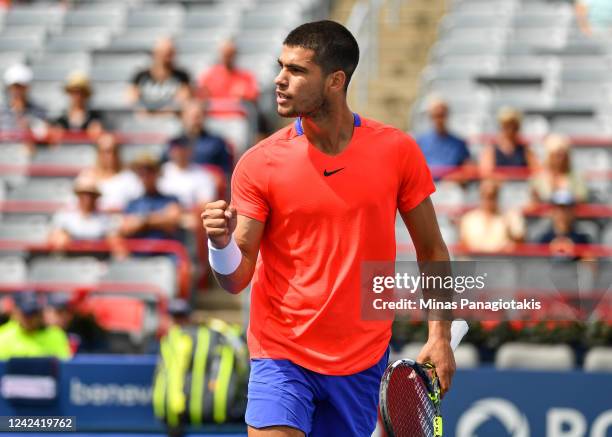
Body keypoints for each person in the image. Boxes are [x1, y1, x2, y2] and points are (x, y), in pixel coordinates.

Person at [201, 21, 456, 437]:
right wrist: (220, 243)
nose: (279, 81)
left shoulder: (397, 151)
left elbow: (432, 251)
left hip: (361, 362)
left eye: (297, 71)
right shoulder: (258, 163)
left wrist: (439, 335)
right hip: (280, 354)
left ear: (336, 81)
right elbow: (235, 279)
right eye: (280, 67)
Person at [118, 154, 182, 242]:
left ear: (157, 173)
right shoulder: (132, 203)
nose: (145, 175)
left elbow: (172, 222)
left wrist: (142, 221)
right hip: (138, 254)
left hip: (164, 253)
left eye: (149, 170)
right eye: (141, 172)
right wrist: (158, 219)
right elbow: (126, 228)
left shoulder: (171, 199)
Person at [48, 175, 118, 250]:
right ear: (78, 195)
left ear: (96, 197)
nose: (87, 198)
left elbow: (114, 241)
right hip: (70, 257)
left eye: (91, 195)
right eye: (84, 194)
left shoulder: (104, 218)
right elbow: (53, 239)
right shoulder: (64, 214)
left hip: (98, 257)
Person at [165, 100, 233, 176]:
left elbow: (226, 172)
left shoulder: (216, 143)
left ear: (204, 116)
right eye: (191, 116)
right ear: (183, 117)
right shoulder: (174, 143)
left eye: (198, 116)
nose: (195, 120)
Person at [78, 133, 143, 211]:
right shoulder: (86, 177)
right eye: (107, 151)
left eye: (114, 151)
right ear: (98, 153)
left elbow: (139, 206)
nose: (111, 156)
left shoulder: (129, 178)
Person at [128, 37, 191, 114]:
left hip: (171, 120)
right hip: (144, 119)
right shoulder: (140, 76)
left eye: (170, 53)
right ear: (155, 53)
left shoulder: (181, 76)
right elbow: (132, 101)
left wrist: (160, 113)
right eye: (164, 53)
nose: (167, 58)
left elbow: (181, 102)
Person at [459, 179, 525, 253]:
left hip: (503, 261)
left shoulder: (511, 216)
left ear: (497, 195)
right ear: (480, 195)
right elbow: (464, 246)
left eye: (492, 195)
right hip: (476, 261)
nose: (488, 199)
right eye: (485, 194)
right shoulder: (468, 219)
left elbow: (520, 243)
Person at [0, 292, 71, 360]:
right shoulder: (3, 334)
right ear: (15, 312)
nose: (29, 318)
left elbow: (63, 365)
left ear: (40, 314)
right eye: (25, 314)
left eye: (34, 313)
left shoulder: (56, 335)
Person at [416, 96, 471, 179]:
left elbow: (467, 170)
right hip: (426, 187)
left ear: (447, 115)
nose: (439, 119)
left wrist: (454, 178)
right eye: (436, 115)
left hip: (451, 187)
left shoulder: (459, 143)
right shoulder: (420, 142)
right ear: (430, 117)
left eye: (442, 115)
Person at [159, 138, 216, 211]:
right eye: (176, 150)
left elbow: (207, 203)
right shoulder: (161, 171)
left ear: (190, 152)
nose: (179, 153)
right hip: (161, 214)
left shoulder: (202, 174)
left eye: (183, 150)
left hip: (189, 216)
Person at [530, 134, 587, 205]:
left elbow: (582, 197)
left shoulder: (577, 177)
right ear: (549, 156)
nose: (561, 159)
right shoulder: (538, 178)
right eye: (557, 155)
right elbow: (533, 202)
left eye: (563, 155)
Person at [480, 107, 538, 177]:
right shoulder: (491, 149)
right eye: (506, 126)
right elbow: (486, 173)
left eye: (513, 126)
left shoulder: (525, 149)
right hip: (499, 185)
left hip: (521, 185)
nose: (510, 130)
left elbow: (536, 170)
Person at [0, 63, 47, 143]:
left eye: (21, 87)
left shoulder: (39, 111)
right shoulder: (2, 111)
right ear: (9, 88)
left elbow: (44, 137)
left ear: (27, 87)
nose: (17, 91)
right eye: (15, 87)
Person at [537, 190, 591, 258]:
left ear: (573, 212)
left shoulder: (582, 240)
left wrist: (588, 259)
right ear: (552, 212)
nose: (562, 214)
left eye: (566, 209)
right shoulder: (544, 240)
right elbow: (538, 263)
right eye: (558, 209)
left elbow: (590, 263)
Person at [51, 71, 103, 139]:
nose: (77, 96)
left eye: (81, 92)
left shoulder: (95, 118)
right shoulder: (61, 119)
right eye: (74, 92)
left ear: (86, 94)